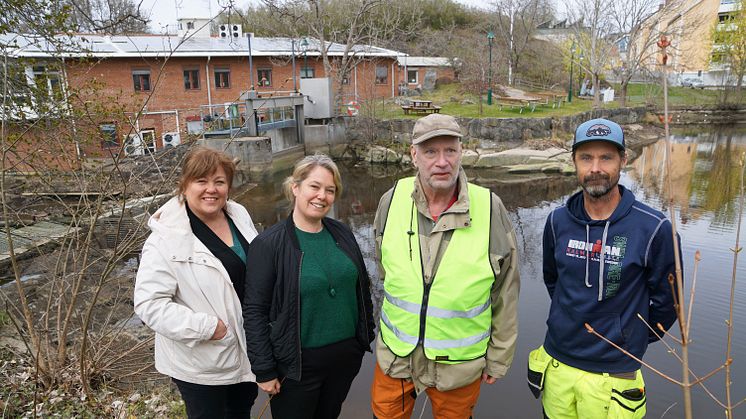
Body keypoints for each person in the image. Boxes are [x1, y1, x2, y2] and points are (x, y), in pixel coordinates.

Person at [370, 113, 520, 419]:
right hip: (396, 358)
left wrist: (499, 356)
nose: (442, 162)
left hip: (458, 367)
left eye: (450, 150)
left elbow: (506, 290)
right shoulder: (392, 200)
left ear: (461, 152)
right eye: (430, 152)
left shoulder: (490, 208)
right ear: (413, 155)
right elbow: (384, 267)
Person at [529, 118, 680, 418]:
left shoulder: (653, 228)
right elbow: (553, 281)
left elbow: (668, 304)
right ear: (574, 161)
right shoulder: (557, 222)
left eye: (606, 157)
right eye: (586, 157)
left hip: (615, 375)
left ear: (624, 159)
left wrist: (627, 334)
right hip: (558, 365)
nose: (595, 168)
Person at [243, 154, 375, 419]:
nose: (322, 196)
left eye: (330, 190)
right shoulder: (269, 244)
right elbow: (255, 310)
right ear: (295, 187)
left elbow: (361, 287)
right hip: (297, 366)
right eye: (314, 186)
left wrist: (365, 335)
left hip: (344, 359)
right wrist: (264, 369)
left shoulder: (342, 233)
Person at [133, 147, 259, 419]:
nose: (211, 189)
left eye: (220, 182)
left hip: (247, 350)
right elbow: (149, 305)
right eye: (201, 181)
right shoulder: (166, 238)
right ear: (185, 184)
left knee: (240, 412)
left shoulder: (238, 214)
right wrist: (209, 327)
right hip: (203, 364)